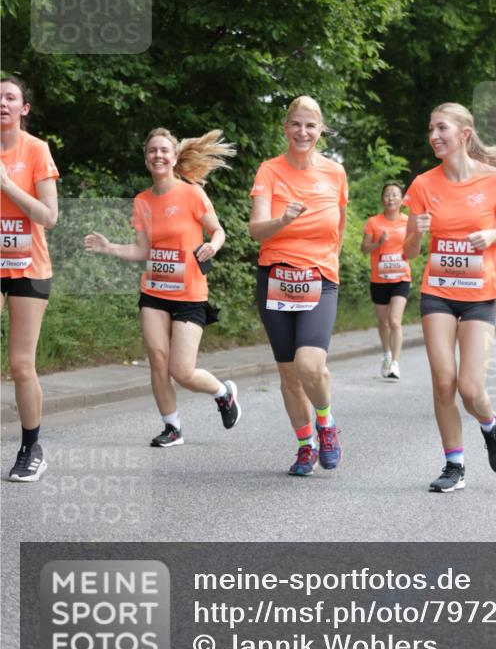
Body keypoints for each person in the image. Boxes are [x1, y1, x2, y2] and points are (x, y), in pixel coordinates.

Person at [403, 102, 496, 493]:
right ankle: (454, 465)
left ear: (464, 134)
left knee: (470, 388)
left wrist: (494, 236)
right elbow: (409, 253)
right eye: (430, 129)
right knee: (443, 382)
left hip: (480, 294)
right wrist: (416, 229)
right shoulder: (422, 185)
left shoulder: (495, 180)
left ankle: (490, 426)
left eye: (441, 128)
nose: (434, 136)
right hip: (438, 292)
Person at [84, 127, 240, 446]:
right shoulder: (142, 201)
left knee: (182, 371)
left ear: (173, 157)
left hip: (189, 295)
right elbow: (143, 250)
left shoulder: (192, 193)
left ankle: (223, 393)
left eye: (164, 150)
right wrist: (110, 247)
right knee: (157, 359)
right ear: (146, 159)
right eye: (152, 151)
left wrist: (214, 245)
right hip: (154, 291)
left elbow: (218, 230)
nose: (158, 155)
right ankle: (172, 428)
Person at [248, 96, 347, 477]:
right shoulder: (269, 171)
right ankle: (305, 444)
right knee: (289, 374)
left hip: (319, 278)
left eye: (310, 125)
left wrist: (326, 265)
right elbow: (256, 229)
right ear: (286, 128)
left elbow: (338, 227)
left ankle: (326, 423)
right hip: (276, 278)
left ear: (320, 129)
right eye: (296, 124)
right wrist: (283, 220)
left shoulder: (335, 173)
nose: (303, 132)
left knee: (310, 365)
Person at [1, 76, 59, 482]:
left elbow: (49, 217)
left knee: (21, 364)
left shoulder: (36, 149)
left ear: (24, 108)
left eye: (9, 97)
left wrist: (6, 185)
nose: (1, 103)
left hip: (28, 268)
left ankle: (30, 446)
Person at [361, 182, 411, 380]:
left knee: (395, 321)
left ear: (402, 199)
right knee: (383, 323)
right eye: (387, 195)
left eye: (395, 195)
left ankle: (395, 364)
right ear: (383, 199)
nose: (391, 198)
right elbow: (364, 249)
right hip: (379, 279)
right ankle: (386, 354)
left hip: (401, 277)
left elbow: (415, 247)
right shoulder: (373, 222)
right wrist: (378, 242)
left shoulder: (408, 221)